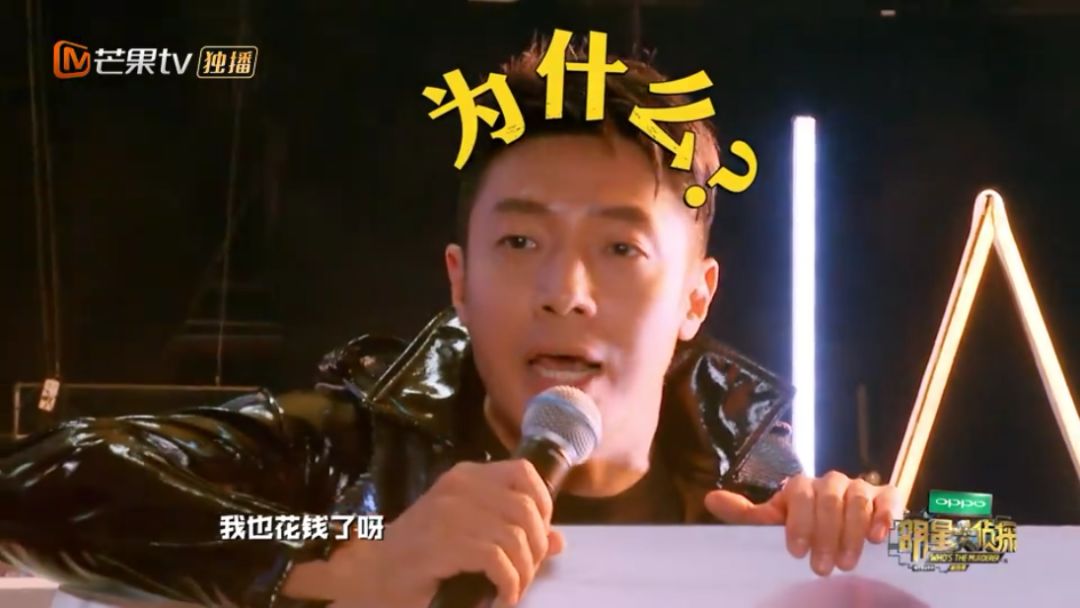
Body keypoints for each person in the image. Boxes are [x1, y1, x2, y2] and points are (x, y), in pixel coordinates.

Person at [0, 40, 900, 608]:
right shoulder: (344, 454)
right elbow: (37, 482)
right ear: (460, 283)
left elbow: (972, 540)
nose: (566, 292)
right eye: (520, 241)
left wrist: (889, 529)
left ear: (695, 298)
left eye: (621, 248)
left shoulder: (757, 493)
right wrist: (343, 563)